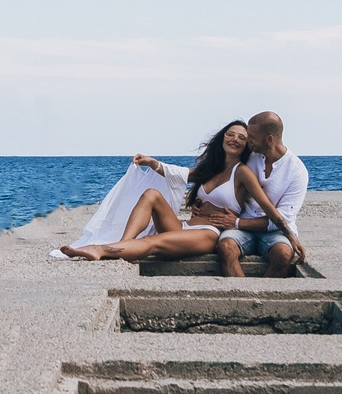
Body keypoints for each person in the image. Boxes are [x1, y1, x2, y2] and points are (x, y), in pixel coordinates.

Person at [60, 120, 302, 276]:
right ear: (222, 138)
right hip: (186, 226)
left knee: (154, 243)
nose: (235, 139)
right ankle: (124, 246)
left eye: (242, 137)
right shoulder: (212, 169)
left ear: (248, 144)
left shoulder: (244, 172)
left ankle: (101, 249)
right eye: (231, 134)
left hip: (208, 233)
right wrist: (153, 163)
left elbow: (269, 208)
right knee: (151, 194)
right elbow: (180, 174)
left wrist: (290, 236)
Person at [217, 109, 307, 277]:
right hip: (242, 229)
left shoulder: (297, 171)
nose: (248, 141)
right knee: (225, 247)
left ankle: (261, 297)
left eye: (252, 137)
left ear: (270, 139)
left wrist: (237, 223)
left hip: (276, 231)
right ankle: (242, 296)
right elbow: (221, 178)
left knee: (284, 254)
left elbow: (282, 219)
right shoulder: (249, 157)